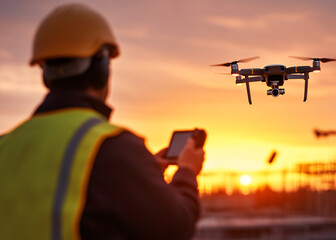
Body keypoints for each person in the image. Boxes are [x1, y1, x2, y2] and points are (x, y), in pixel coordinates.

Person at [0, 3, 205, 240]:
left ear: (45, 73)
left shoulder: (5, 147)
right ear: (102, 68)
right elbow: (175, 228)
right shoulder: (113, 149)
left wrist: (142, 174)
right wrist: (187, 172)